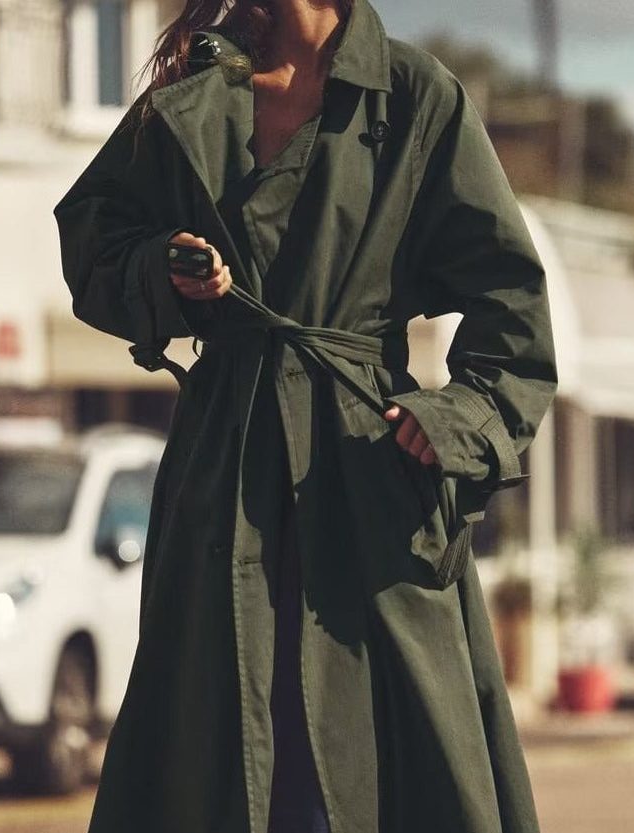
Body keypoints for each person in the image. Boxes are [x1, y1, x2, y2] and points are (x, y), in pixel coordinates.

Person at [52, 0, 558, 831]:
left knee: (385, 770)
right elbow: (93, 242)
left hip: (369, 476)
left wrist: (453, 420)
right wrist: (164, 269)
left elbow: (514, 310)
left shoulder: (415, 95)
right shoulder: (197, 83)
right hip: (225, 473)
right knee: (217, 756)